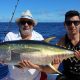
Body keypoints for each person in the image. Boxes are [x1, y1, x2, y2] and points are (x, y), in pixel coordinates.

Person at [17, 10, 80, 80]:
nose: (72, 25)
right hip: (67, 75)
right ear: (65, 25)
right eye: (69, 23)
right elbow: (52, 70)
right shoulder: (62, 42)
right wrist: (33, 66)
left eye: (76, 22)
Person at [3, 10, 47, 80]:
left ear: (33, 25)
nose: (26, 25)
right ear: (19, 24)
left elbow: (43, 60)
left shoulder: (39, 37)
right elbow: (5, 61)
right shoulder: (10, 36)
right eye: (23, 22)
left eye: (29, 22)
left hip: (35, 78)